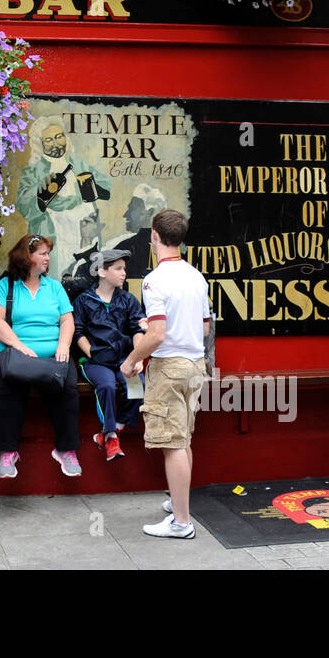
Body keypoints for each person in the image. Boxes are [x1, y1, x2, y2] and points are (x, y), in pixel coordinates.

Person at [121, 210, 211, 539]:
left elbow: (157, 334)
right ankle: (178, 505)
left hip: (168, 366)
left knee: (171, 444)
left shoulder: (154, 280)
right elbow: (203, 328)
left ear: (155, 237)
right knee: (183, 438)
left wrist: (131, 361)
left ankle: (182, 523)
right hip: (194, 365)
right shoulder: (196, 277)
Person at [0, 234, 82, 479]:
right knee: (10, 387)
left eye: (48, 253)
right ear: (27, 257)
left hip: (51, 354)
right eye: (43, 253)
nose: (48, 258)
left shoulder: (55, 287)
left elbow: (67, 319)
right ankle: (8, 452)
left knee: (67, 387)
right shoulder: (4, 286)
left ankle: (66, 450)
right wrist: (18, 345)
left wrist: (63, 346)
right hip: (8, 354)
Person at [71, 248, 147, 461]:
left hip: (123, 360)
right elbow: (77, 332)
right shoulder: (84, 301)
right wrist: (92, 354)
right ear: (102, 272)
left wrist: (138, 357)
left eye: (124, 268)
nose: (124, 273)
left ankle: (116, 427)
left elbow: (136, 330)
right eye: (118, 268)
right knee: (106, 386)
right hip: (95, 362)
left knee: (137, 386)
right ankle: (111, 437)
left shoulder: (128, 300)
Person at [16, 120, 111, 280]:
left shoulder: (78, 164)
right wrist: (41, 191)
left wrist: (90, 187)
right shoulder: (34, 171)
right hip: (55, 234)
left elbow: (106, 189)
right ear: (40, 144)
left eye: (59, 136)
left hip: (84, 233)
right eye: (48, 140)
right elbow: (23, 205)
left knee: (84, 276)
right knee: (57, 276)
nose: (55, 143)